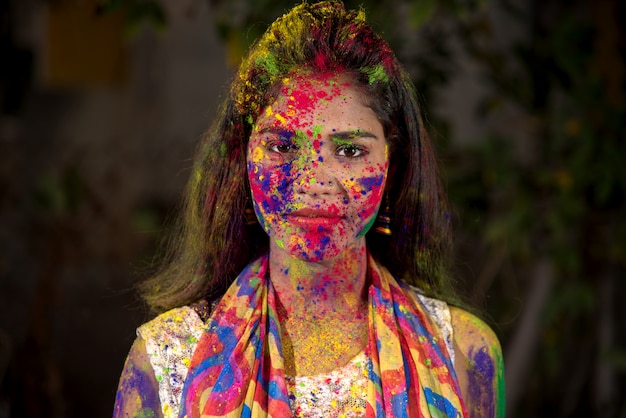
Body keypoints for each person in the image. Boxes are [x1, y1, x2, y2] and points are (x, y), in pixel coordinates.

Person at [113, 1, 504, 417]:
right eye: (282, 146)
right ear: (243, 160)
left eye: (351, 150)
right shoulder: (168, 359)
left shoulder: (464, 353)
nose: (315, 180)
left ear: (392, 163)